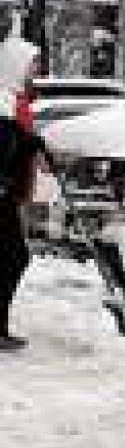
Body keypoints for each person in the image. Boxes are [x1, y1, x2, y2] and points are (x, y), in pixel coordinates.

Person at [0, 81, 44, 351]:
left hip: (7, 197)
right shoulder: (6, 100)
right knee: (13, 257)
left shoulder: (14, 102)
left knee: (13, 258)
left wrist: (29, 144)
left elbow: (14, 138)